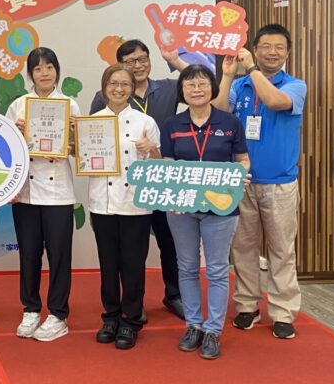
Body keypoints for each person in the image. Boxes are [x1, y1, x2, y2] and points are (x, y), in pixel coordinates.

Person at [214, 24, 307, 340]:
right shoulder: (239, 85)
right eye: (265, 46)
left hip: (280, 182)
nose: (272, 52)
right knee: (243, 248)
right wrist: (228, 76)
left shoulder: (295, 85)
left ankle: (282, 312)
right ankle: (247, 305)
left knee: (282, 250)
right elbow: (219, 112)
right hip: (241, 181)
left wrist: (252, 69)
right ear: (255, 48)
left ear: (287, 52)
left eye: (279, 47)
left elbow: (276, 102)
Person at [90, 40, 188, 320]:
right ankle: (130, 307)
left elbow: (201, 85)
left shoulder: (168, 87)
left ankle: (173, 295)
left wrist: (176, 60)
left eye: (143, 58)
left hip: (161, 179)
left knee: (169, 241)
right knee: (126, 253)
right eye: (131, 61)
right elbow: (93, 139)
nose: (139, 65)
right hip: (124, 188)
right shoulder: (103, 98)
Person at [160, 64, 249, 360]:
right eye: (189, 85)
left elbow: (243, 160)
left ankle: (213, 330)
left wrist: (239, 176)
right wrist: (171, 189)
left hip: (220, 208)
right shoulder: (172, 125)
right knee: (186, 267)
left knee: (217, 269)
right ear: (182, 91)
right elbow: (167, 163)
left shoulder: (230, 122)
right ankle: (193, 325)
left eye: (201, 84)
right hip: (182, 207)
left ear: (212, 88)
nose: (196, 89)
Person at [6, 47, 80, 342]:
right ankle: (31, 309)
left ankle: (59, 314)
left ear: (57, 71)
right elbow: (7, 150)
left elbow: (79, 151)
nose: (44, 73)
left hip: (58, 192)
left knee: (59, 255)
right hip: (26, 192)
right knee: (29, 254)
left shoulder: (70, 106)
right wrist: (15, 132)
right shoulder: (18, 106)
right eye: (38, 68)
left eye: (49, 67)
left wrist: (73, 138)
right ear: (30, 74)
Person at [88, 64, 161, 350]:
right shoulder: (91, 121)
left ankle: (131, 320)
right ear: (104, 87)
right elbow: (84, 159)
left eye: (125, 84)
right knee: (108, 264)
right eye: (113, 83)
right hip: (102, 203)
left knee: (133, 265)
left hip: (135, 205)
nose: (119, 89)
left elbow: (158, 166)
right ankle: (110, 317)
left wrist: (152, 150)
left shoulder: (146, 122)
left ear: (132, 89)